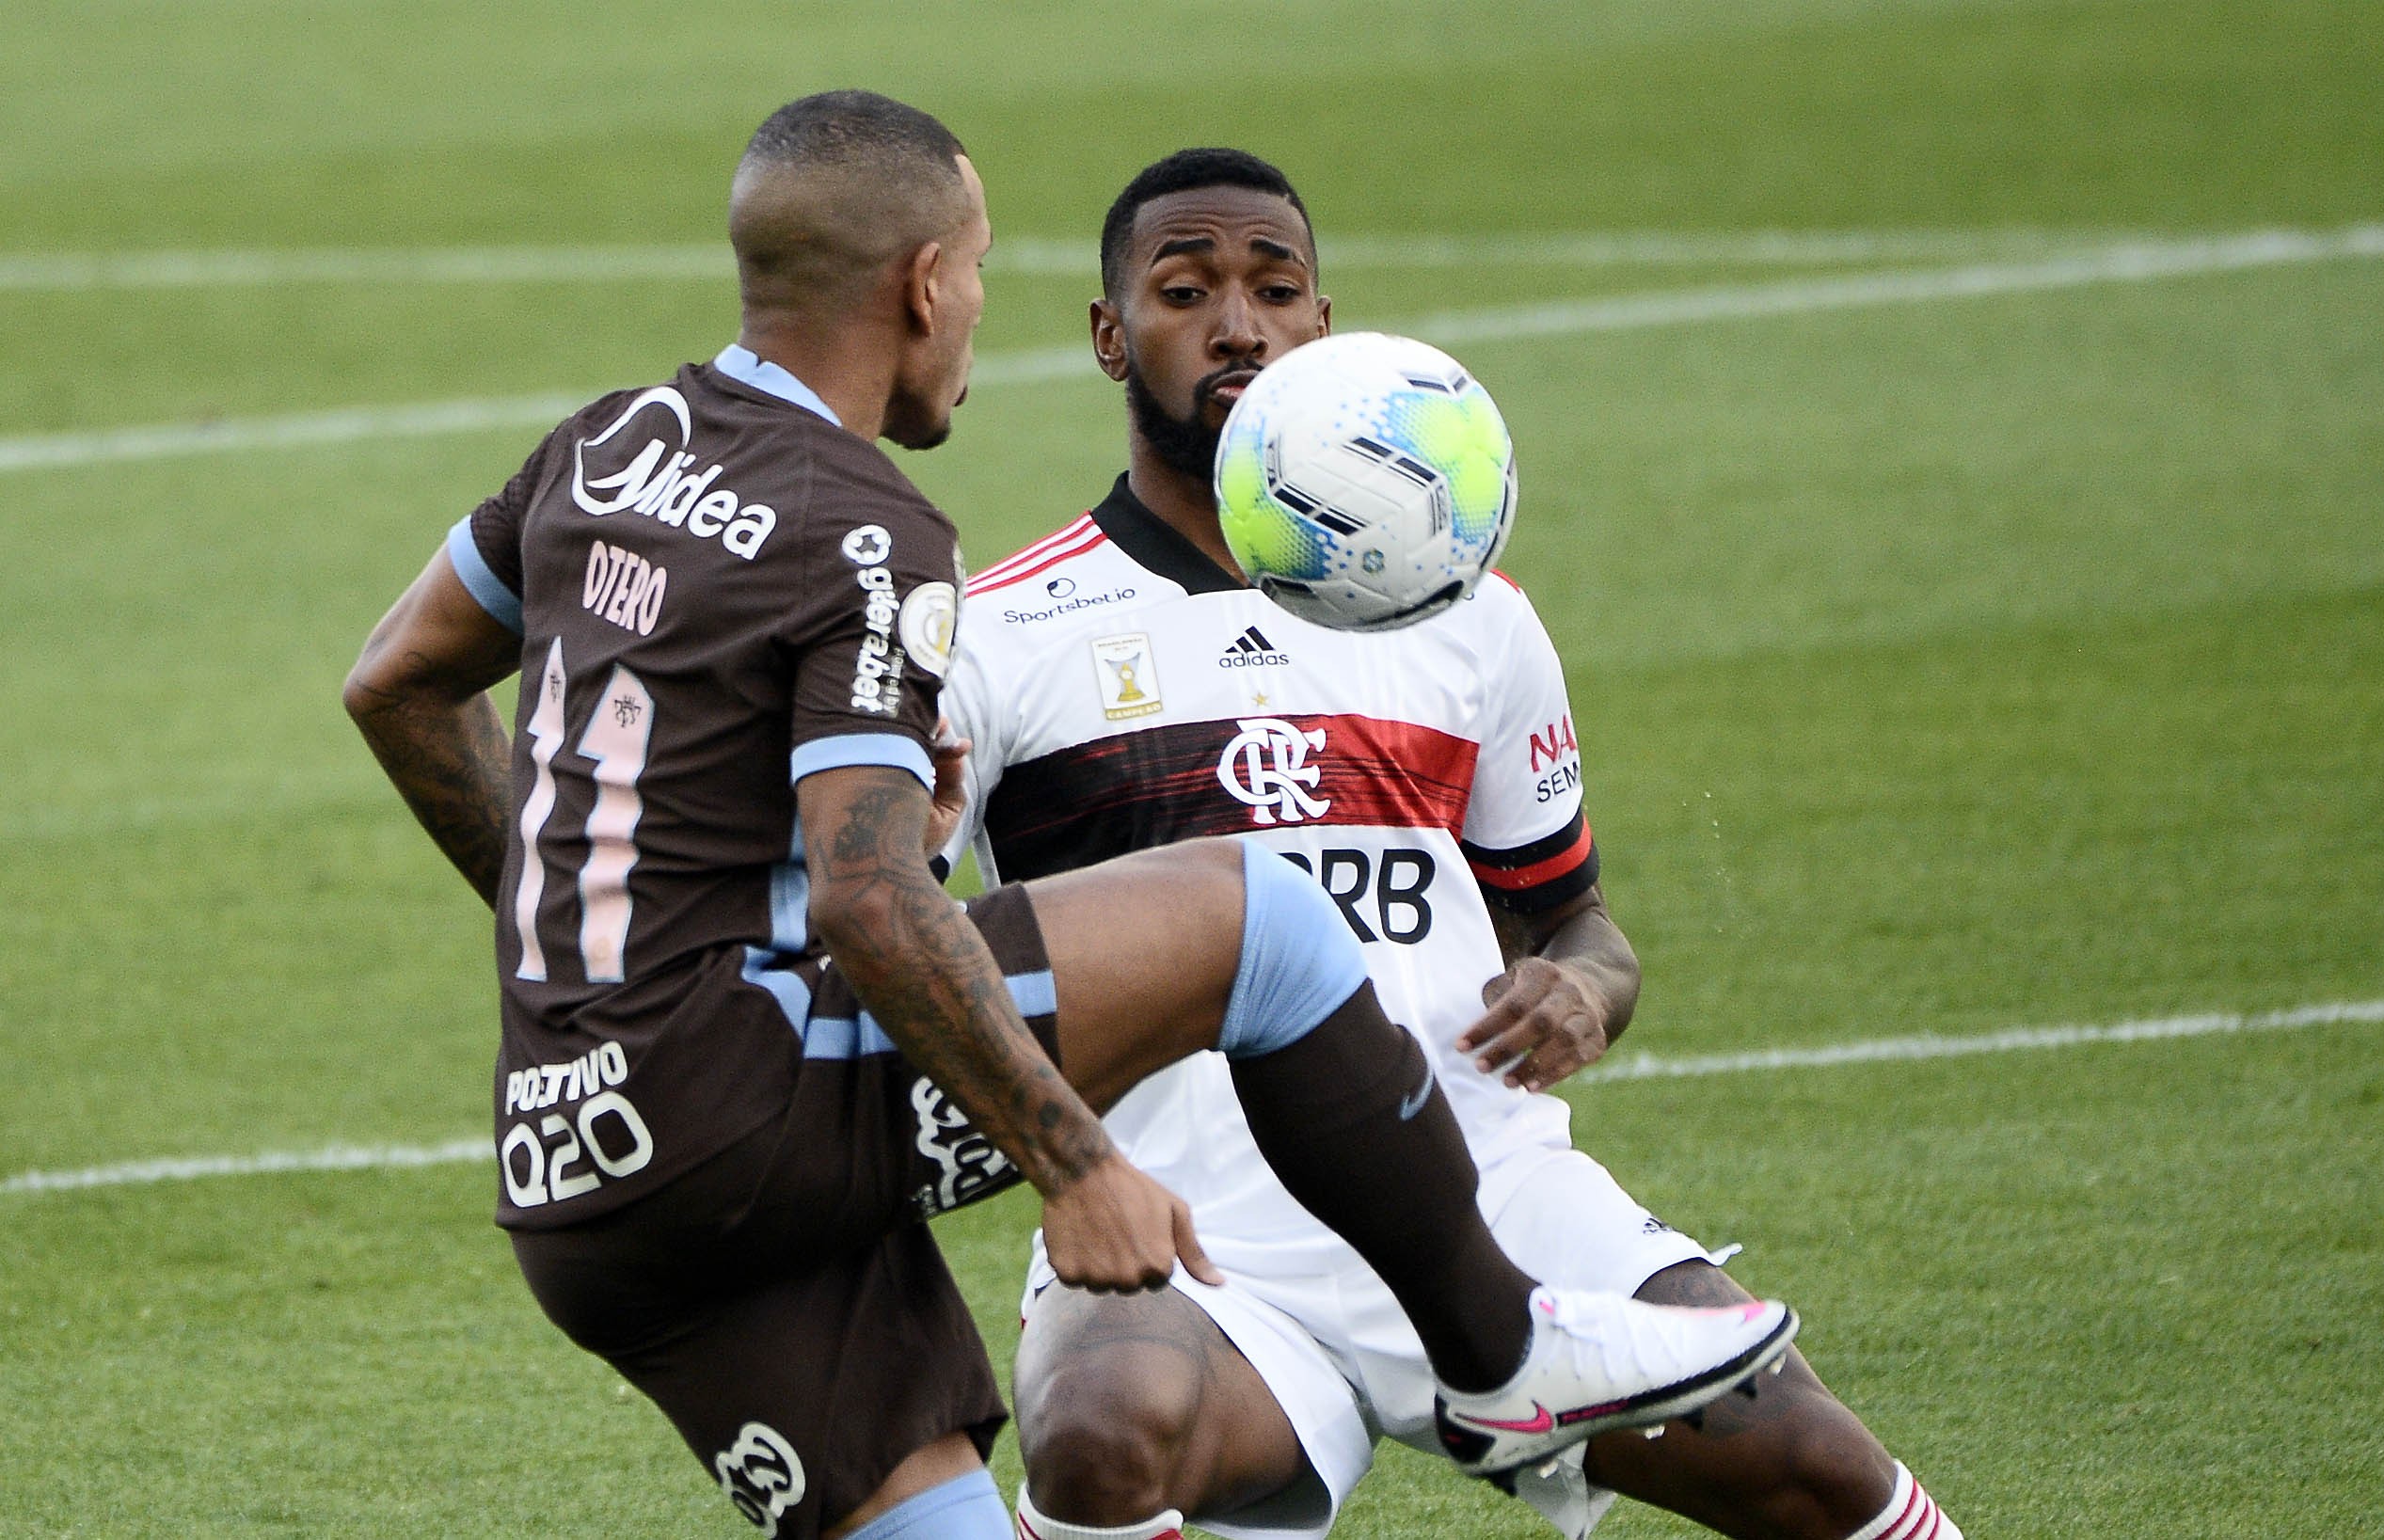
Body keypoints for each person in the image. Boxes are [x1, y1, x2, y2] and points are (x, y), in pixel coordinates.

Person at [342, 96, 1795, 1540]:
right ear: (924, 284)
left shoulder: (596, 452)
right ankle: (1503, 1358)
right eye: (974, 272)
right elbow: (868, 894)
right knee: (1263, 920)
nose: (976, 310)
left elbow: (395, 682)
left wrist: (599, 949)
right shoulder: (869, 530)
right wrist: (1079, 1165)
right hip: (760, 1108)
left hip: (579, 1173)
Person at [938, 149, 1964, 1540]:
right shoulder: (1006, 633)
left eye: (1275, 289)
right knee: (1097, 1437)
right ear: (1113, 335)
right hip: (1196, 1241)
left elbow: (1577, 924)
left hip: (1491, 1199)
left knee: (1818, 1465)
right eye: (1186, 292)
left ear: (1321, 323)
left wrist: (1583, 990)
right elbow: (899, 928)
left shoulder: (1470, 614)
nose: (1236, 324)